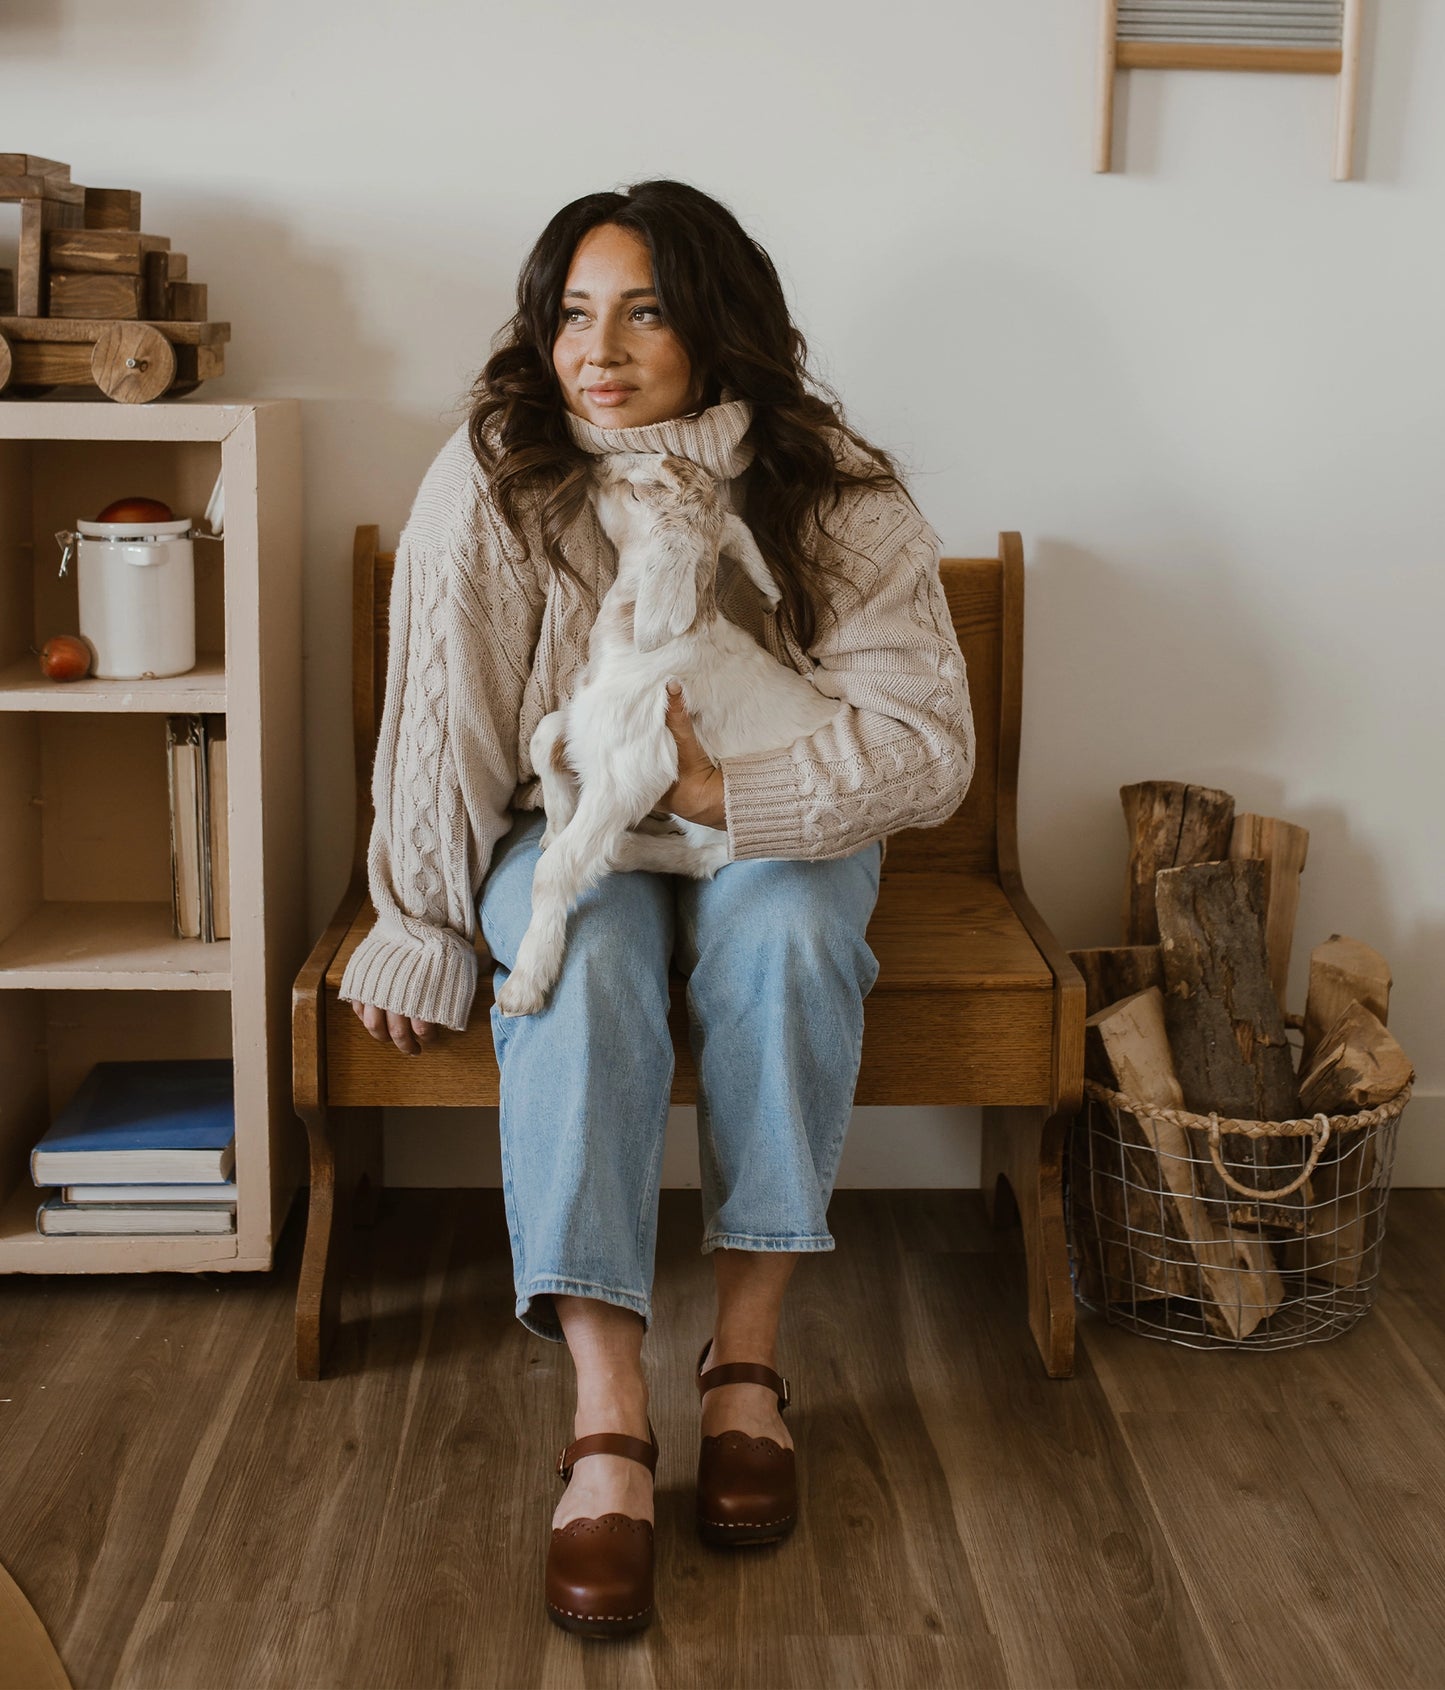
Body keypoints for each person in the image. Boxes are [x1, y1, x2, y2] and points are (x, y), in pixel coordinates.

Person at [339, 179, 974, 1639]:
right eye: (571, 310)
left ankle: (744, 1365)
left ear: (719, 327)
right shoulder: (494, 475)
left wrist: (719, 802)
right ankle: (609, 1411)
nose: (596, 349)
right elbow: (450, 728)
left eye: (642, 310)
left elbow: (928, 749)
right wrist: (423, 921)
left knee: (793, 935)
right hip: (568, 834)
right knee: (586, 968)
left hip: (773, 813)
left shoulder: (836, 488)